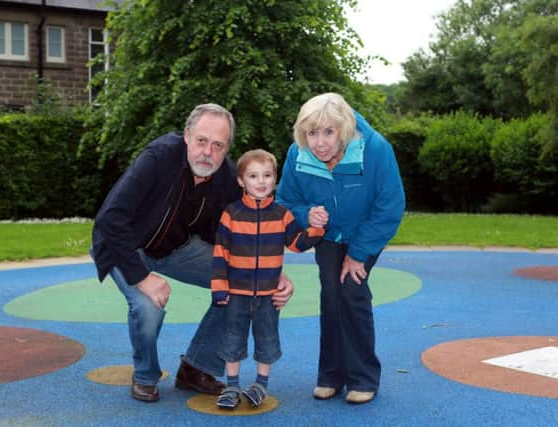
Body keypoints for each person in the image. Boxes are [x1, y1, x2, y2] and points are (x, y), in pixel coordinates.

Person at [91, 103, 295, 403]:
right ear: (187, 136)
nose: (207, 152)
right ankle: (146, 375)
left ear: (226, 150)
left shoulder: (226, 178)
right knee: (148, 306)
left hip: (177, 248)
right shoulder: (158, 158)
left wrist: (273, 274)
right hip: (124, 246)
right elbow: (110, 219)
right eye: (201, 141)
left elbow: (243, 232)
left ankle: (197, 367)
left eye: (218, 145)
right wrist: (142, 277)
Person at [276, 93, 405, 404]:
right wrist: (307, 215)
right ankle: (330, 375)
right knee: (331, 294)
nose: (319, 143)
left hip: (366, 231)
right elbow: (284, 203)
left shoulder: (375, 150)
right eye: (312, 133)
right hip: (329, 236)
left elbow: (390, 206)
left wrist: (359, 254)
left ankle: (363, 377)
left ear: (343, 129)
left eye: (328, 132)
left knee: (351, 288)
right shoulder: (298, 155)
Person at [210, 149, 325, 409]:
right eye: (253, 175)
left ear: (275, 180)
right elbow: (220, 253)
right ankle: (231, 386)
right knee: (232, 339)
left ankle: (261, 384)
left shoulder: (282, 214)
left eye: (267, 175)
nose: (261, 181)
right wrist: (219, 286)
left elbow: (297, 243)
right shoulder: (232, 214)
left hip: (268, 295)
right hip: (236, 294)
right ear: (241, 181)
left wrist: (316, 228)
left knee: (267, 339)